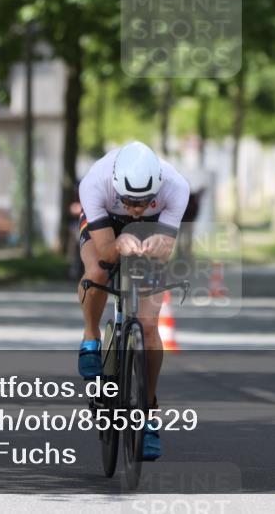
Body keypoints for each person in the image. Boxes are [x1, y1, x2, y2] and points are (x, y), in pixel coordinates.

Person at [75, 141, 189, 461]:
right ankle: (90, 337)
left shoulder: (176, 186)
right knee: (98, 270)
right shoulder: (95, 183)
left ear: (158, 189)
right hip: (105, 225)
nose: (136, 208)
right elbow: (106, 252)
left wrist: (157, 242)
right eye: (130, 201)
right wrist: (118, 242)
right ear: (116, 187)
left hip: (150, 231)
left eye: (144, 201)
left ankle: (148, 412)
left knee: (150, 327)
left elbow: (166, 247)